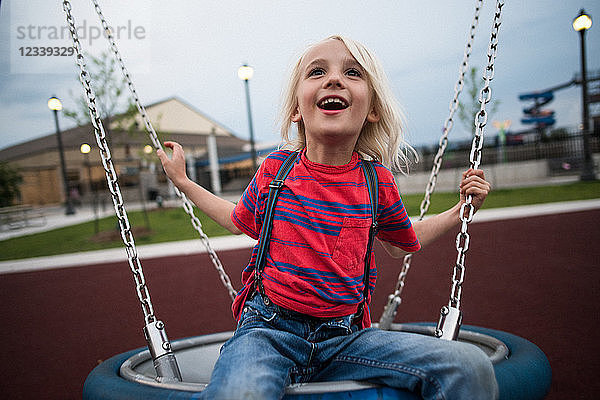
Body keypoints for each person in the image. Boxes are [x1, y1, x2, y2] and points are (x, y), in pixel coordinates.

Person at [157, 35, 497, 400]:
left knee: (468, 365)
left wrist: (460, 211)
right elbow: (237, 218)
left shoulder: (375, 181)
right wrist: (183, 182)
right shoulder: (278, 171)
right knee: (239, 393)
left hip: (346, 338)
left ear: (372, 110)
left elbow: (402, 243)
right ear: (296, 110)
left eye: (352, 73)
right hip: (268, 332)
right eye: (317, 71)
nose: (334, 79)